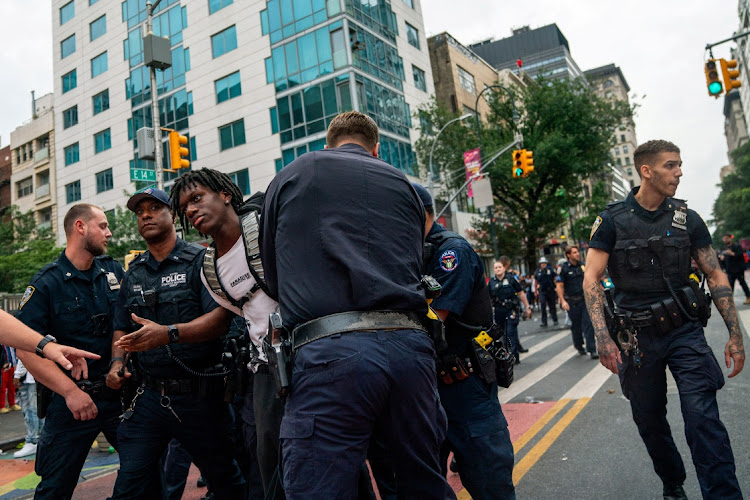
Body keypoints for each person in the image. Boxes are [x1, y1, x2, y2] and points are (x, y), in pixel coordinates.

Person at [259, 112, 453, 499]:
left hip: (330, 354)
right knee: (419, 484)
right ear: (376, 148)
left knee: (319, 489)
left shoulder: (297, 171)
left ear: (328, 143)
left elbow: (273, 274)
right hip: (409, 350)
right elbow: (415, 262)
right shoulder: (404, 184)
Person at [584, 140, 744, 500]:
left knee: (703, 417)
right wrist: (602, 337)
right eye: (671, 166)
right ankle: (673, 482)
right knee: (650, 420)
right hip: (636, 338)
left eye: (680, 165)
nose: (679, 172)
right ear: (646, 171)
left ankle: (723, 495)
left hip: (684, 330)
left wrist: (735, 333)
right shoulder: (610, 221)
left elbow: (716, 275)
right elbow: (591, 277)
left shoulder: (688, 219)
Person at [105, 188, 244, 499]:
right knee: (130, 482)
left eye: (155, 208)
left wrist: (168, 333)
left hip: (200, 397)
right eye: (140, 212)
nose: (146, 215)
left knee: (226, 481)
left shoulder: (201, 261)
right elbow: (120, 327)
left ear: (173, 215)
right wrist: (117, 364)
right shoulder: (134, 272)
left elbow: (220, 320)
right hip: (149, 396)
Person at [172, 170, 280, 500]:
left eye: (197, 198)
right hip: (266, 369)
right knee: (267, 458)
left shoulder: (265, 229)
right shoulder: (209, 268)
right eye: (184, 207)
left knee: (327, 451)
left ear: (225, 195)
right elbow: (238, 315)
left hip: (310, 354)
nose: (190, 209)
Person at [15, 204, 126, 499]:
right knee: (55, 489)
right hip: (71, 404)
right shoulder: (46, 283)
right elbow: (26, 350)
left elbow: (124, 324)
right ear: (80, 227)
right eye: (102, 226)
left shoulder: (114, 271)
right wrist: (71, 393)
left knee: (145, 474)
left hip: (119, 396)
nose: (109, 232)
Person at [413, 183, 515, 499]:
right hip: (429, 385)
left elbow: (433, 318)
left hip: (465, 383)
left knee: (488, 480)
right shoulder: (414, 252)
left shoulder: (450, 252)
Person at [556, 246, 598, 359]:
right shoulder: (564, 269)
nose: (577, 254)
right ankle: (579, 346)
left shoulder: (583, 266)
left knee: (588, 324)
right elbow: (559, 286)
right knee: (576, 326)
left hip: (584, 300)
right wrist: (562, 301)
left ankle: (592, 349)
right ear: (568, 255)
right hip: (572, 302)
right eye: (574, 252)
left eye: (577, 252)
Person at [489, 256, 531, 364]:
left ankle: (513, 356)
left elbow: (521, 293)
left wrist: (527, 307)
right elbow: (488, 298)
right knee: (501, 334)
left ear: (503, 268)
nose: (498, 269)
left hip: (510, 309)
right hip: (499, 311)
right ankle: (509, 354)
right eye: (496, 268)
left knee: (510, 332)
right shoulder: (492, 282)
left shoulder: (511, 279)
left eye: (499, 267)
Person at [13, 358, 44, 457]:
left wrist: (17, 374)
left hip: (30, 377)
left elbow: (23, 354)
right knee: (37, 410)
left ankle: (33, 441)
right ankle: (38, 439)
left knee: (30, 411)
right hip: (33, 376)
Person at [719, 234, 750, 304]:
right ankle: (730, 300)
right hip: (730, 270)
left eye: (727, 238)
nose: (725, 240)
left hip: (738, 269)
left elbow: (740, 255)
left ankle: (748, 296)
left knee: (742, 283)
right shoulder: (724, 248)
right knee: (730, 285)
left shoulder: (737, 246)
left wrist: (732, 253)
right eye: (724, 239)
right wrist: (722, 259)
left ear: (730, 238)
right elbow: (724, 260)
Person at [534, 257, 558, 327]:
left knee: (552, 305)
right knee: (543, 305)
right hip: (542, 290)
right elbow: (535, 281)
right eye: (542, 264)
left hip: (550, 289)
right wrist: (535, 291)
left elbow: (555, 278)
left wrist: (556, 286)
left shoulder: (550, 270)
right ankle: (544, 322)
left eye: (544, 263)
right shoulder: (538, 271)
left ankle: (555, 319)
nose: (543, 265)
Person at [1, 345, 19, 412]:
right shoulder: (2, 345)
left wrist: (15, 365)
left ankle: (12, 404)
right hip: (4, 366)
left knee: (12, 386)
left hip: (12, 366)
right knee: (3, 387)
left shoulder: (11, 345)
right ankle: (1, 405)